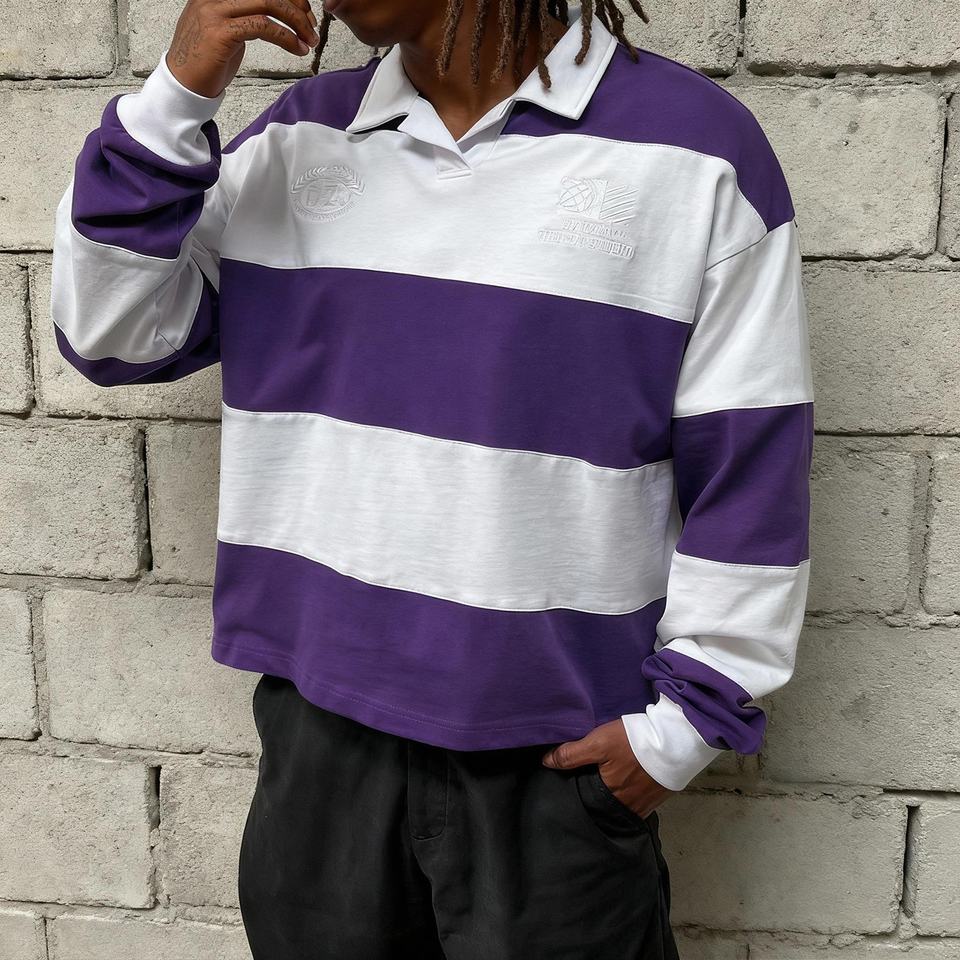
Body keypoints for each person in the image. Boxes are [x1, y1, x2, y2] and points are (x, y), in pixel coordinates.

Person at [50, 0, 814, 955]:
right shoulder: (297, 138)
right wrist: (176, 96)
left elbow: (750, 461)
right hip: (321, 749)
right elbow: (109, 332)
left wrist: (681, 731)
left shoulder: (697, 151)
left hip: (554, 760)